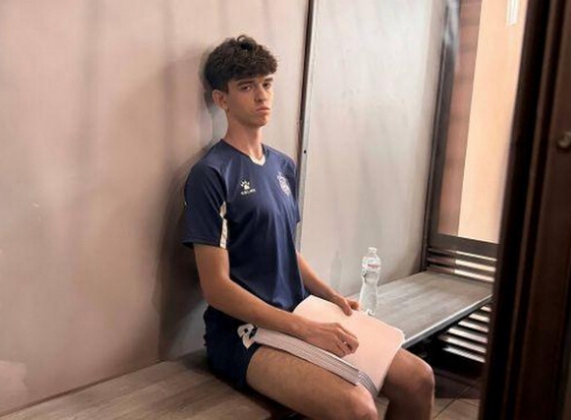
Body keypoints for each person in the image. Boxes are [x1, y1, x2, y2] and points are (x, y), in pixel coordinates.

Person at [182, 35, 435, 420]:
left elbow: (286, 250)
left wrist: (331, 296)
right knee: (358, 409)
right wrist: (303, 329)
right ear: (222, 99)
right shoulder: (211, 174)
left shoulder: (282, 166)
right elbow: (216, 289)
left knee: (419, 379)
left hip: (300, 310)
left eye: (267, 84)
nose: (262, 96)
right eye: (247, 87)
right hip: (242, 333)